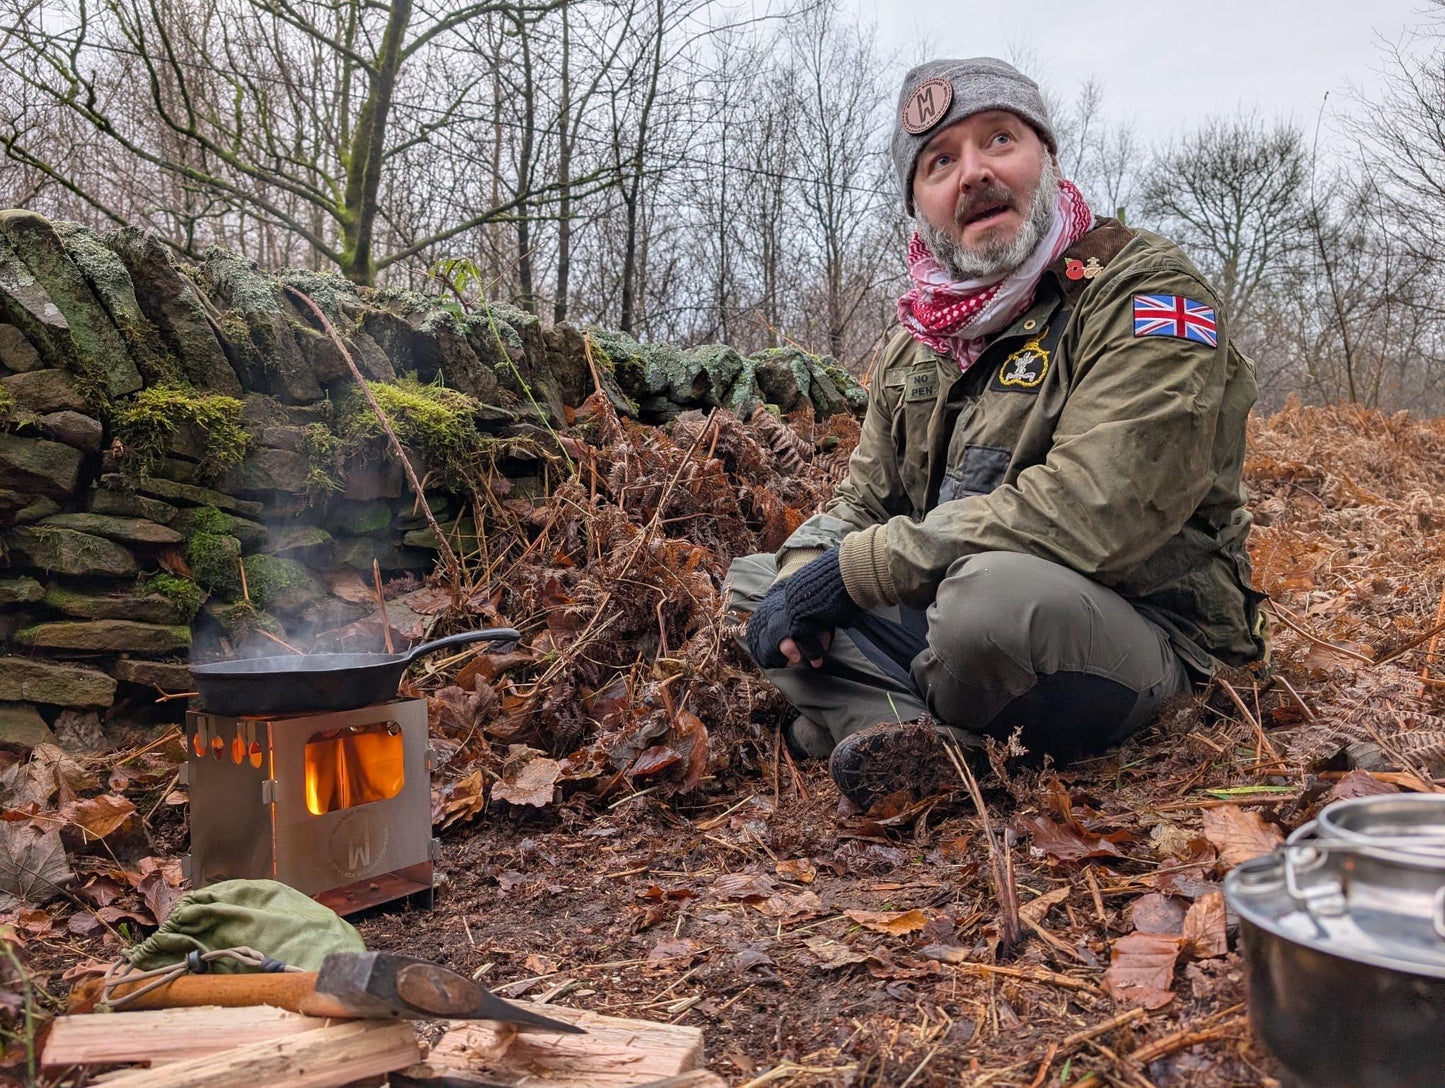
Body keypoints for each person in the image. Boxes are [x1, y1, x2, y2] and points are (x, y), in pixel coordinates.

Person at [727, 57, 1267, 810]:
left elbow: (1099, 506)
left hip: (1143, 629)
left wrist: (860, 575)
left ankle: (863, 706)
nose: (973, 173)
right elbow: (860, 504)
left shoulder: (1141, 290)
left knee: (988, 606)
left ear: (1044, 157)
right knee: (761, 586)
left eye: (999, 140)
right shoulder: (915, 343)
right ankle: (920, 746)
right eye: (940, 163)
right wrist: (813, 577)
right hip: (959, 611)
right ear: (919, 205)